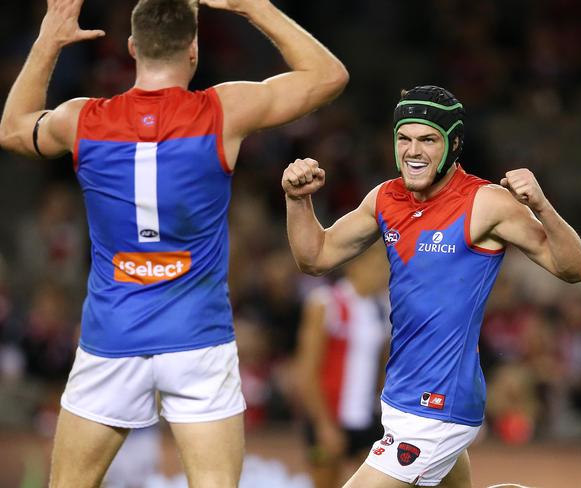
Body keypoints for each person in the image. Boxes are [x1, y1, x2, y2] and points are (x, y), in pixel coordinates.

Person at [0, 0, 348, 486]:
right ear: (194, 50)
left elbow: (13, 130)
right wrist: (254, 7)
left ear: (131, 48)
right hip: (198, 341)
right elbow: (328, 76)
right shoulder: (224, 110)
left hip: (113, 338)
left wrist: (48, 41)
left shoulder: (82, 120)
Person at [282, 85, 581, 487]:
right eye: (404, 139)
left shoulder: (486, 202)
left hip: (440, 402)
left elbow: (574, 268)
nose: (413, 151)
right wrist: (297, 200)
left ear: (454, 143)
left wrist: (542, 207)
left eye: (428, 140)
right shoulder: (384, 199)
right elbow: (315, 257)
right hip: (400, 397)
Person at [295, 242, 390, 488]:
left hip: (366, 417)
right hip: (330, 415)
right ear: (354, 267)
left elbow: (382, 368)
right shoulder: (326, 303)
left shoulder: (381, 309)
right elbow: (307, 370)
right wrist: (323, 424)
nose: (382, 273)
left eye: (385, 267)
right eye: (376, 266)